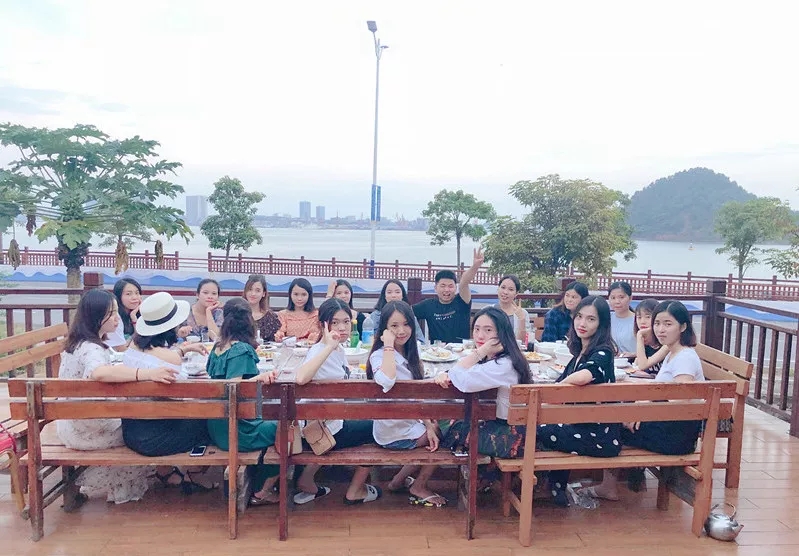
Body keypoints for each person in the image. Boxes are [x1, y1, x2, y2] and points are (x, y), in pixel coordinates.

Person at [56, 289, 177, 504]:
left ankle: (166, 472)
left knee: (144, 415)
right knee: (148, 430)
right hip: (89, 429)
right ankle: (167, 471)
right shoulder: (91, 348)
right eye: (111, 313)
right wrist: (146, 374)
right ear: (95, 317)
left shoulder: (80, 343)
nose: (117, 318)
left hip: (72, 422)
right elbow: (99, 372)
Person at [579, 300, 706, 502]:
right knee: (615, 416)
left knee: (608, 425)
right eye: (657, 323)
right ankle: (619, 480)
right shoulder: (673, 350)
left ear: (683, 327)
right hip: (669, 428)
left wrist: (643, 410)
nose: (660, 329)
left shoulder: (684, 358)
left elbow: (681, 405)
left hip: (675, 437)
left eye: (668, 324)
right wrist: (641, 408)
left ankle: (609, 484)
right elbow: (657, 384)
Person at [292, 298, 381, 505]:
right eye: (335, 322)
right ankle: (355, 490)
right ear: (322, 324)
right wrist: (329, 346)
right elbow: (301, 377)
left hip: (326, 424)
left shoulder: (336, 349)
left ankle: (306, 478)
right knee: (380, 430)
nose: (342, 328)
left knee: (369, 418)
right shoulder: (321, 350)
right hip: (326, 430)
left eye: (346, 322)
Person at [535, 296, 621, 507]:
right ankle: (554, 487)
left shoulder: (603, 352)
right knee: (545, 425)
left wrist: (556, 389)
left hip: (599, 437)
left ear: (601, 324)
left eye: (591, 319)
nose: (582, 323)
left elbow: (585, 376)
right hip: (586, 428)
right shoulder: (581, 353)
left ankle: (551, 487)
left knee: (536, 429)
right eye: (579, 317)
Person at [366, 301, 445, 507]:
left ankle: (397, 481)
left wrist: (428, 425)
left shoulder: (411, 351)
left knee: (437, 427)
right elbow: (386, 380)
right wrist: (388, 345)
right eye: (394, 326)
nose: (401, 331)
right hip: (394, 434)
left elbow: (417, 399)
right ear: (384, 329)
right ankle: (418, 486)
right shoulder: (379, 355)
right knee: (445, 433)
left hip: (405, 425)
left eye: (406, 324)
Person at [206, 298, 281, 506]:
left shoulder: (218, 347)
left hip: (217, 427)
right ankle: (263, 488)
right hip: (238, 431)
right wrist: (259, 378)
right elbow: (234, 385)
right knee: (289, 427)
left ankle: (259, 479)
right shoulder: (242, 350)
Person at [435, 306, 531, 461]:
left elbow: (464, 380)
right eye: (477, 329)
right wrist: (446, 373)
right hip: (496, 427)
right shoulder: (498, 358)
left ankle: (418, 475)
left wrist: (480, 351)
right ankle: (420, 475)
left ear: (502, 334)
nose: (480, 335)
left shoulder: (504, 364)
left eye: (488, 330)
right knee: (441, 421)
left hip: (508, 438)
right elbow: (460, 373)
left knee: (443, 423)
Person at [413, 247, 483, 344]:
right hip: (437, 350)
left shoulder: (462, 301)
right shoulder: (427, 305)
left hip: (460, 349)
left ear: (455, 287)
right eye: (443, 286)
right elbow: (405, 312)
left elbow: (464, 283)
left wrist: (475, 266)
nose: (446, 290)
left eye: (450, 286)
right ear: (435, 288)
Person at [275, 278, 320, 342]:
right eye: (296, 294)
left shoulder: (316, 315)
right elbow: (281, 332)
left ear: (309, 296)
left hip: (310, 346)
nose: (299, 298)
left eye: (304, 294)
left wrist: (314, 338)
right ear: (290, 294)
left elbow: (318, 335)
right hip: (288, 346)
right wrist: (279, 336)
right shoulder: (283, 314)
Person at [106, 278, 143, 350]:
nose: (135, 297)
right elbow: (120, 349)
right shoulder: (115, 317)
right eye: (128, 294)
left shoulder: (137, 313)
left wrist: (134, 318)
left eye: (137, 293)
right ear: (118, 296)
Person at [633, 298, 668, 375]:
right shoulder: (645, 343)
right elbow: (637, 365)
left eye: (648, 317)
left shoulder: (667, 344)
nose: (642, 322)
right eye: (639, 317)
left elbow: (642, 366)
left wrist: (639, 336)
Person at [243, 274, 280, 343]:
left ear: (263, 293)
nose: (253, 294)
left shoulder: (271, 317)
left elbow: (276, 341)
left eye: (257, 290)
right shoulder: (237, 315)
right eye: (250, 289)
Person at [493, 275, 530, 341]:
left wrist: (521, 319)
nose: (505, 292)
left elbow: (523, 341)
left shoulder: (523, 313)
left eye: (511, 289)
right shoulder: (488, 310)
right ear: (498, 288)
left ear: (516, 293)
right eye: (503, 287)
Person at [608, 281, 636, 356]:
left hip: (632, 361)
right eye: (613, 298)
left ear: (630, 298)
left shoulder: (638, 320)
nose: (617, 301)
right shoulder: (607, 318)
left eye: (621, 297)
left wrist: (634, 354)